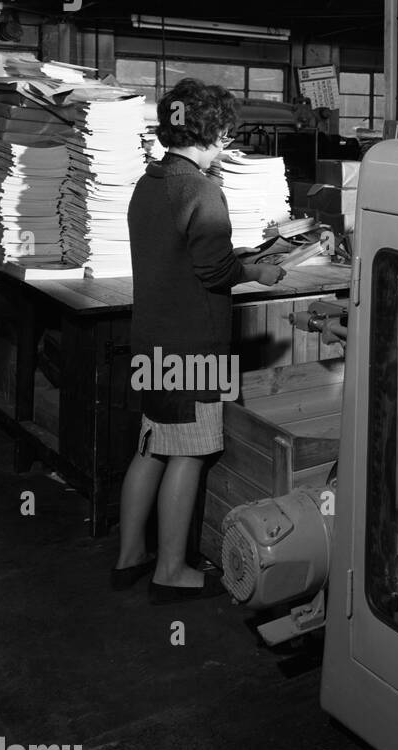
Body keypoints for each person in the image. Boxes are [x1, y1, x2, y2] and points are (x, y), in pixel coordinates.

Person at [111, 79, 283, 603]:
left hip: (152, 340)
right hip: (195, 351)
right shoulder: (203, 190)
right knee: (191, 453)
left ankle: (128, 557)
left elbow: (181, 258)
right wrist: (261, 271)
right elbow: (214, 271)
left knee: (151, 446)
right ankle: (170, 570)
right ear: (217, 133)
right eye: (227, 135)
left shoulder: (150, 182)